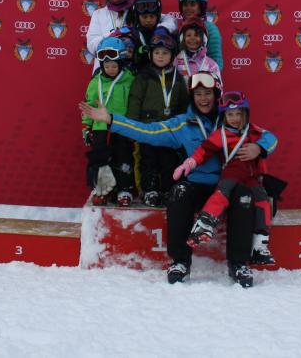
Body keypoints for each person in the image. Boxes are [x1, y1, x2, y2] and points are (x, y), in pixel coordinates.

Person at [80, 71, 276, 288]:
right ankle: (180, 261)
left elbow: (266, 136)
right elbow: (148, 132)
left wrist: (259, 148)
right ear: (192, 97)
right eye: (198, 94)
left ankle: (239, 264)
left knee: (244, 196)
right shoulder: (183, 124)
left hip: (230, 183)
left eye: (208, 93)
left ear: (216, 95)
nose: (203, 99)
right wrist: (111, 120)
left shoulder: (232, 117)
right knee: (179, 192)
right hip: (198, 183)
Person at [173, 91, 276, 265]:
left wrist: (259, 148)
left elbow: (272, 139)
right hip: (231, 172)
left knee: (263, 201)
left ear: (246, 114)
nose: (235, 118)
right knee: (224, 191)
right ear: (224, 116)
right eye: (230, 114)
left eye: (238, 114)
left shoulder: (253, 131)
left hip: (250, 177)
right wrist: (190, 163)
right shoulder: (220, 134)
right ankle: (205, 222)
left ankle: (260, 244)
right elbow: (204, 151)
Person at [126, 27, 189, 207]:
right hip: (147, 128)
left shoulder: (178, 78)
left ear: (172, 56)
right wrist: (132, 124)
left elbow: (183, 103)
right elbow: (135, 99)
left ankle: (168, 189)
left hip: (169, 130)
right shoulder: (143, 76)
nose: (160, 56)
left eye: (165, 53)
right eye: (157, 53)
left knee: (168, 160)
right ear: (151, 54)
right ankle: (150, 190)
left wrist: (183, 125)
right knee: (148, 160)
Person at [82, 36, 136, 205]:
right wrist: (86, 127)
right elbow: (89, 105)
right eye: (106, 66)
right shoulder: (95, 83)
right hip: (100, 128)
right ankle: (102, 190)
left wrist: (134, 126)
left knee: (123, 156)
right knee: (100, 159)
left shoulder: (129, 80)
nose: (111, 69)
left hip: (122, 126)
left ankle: (125, 189)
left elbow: (134, 104)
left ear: (121, 63)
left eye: (114, 66)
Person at [87, 0, 176, 68]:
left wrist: (162, 28)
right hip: (105, 69)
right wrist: (112, 36)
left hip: (131, 70)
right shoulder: (99, 14)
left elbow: (170, 20)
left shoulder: (137, 8)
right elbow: (92, 45)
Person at [177, 0, 223, 70]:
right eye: (185, 5)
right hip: (181, 76)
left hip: (204, 76)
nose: (188, 8)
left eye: (192, 4)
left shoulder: (210, 29)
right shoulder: (177, 27)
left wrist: (205, 77)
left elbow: (216, 62)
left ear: (201, 7)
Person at [126, 0, 169, 70]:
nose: (148, 20)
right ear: (137, 16)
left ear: (158, 16)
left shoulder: (166, 33)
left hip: (161, 74)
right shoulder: (132, 35)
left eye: (152, 16)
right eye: (144, 17)